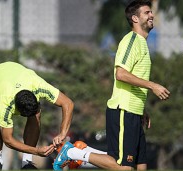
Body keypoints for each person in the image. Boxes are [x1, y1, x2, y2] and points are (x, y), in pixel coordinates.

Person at [53, 0, 170, 170]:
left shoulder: (142, 43)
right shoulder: (131, 41)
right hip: (123, 111)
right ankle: (72, 153)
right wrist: (152, 85)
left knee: (141, 165)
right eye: (146, 13)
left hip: (135, 112)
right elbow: (121, 74)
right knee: (124, 167)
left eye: (151, 12)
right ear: (135, 19)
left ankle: (81, 150)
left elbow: (134, 79)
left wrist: (142, 109)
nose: (151, 15)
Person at [0, 61, 74, 170]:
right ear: (17, 109)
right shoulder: (5, 103)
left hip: (17, 74)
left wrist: (62, 133)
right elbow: (8, 140)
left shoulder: (38, 85)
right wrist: (37, 151)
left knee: (36, 115)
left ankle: (27, 162)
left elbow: (68, 103)